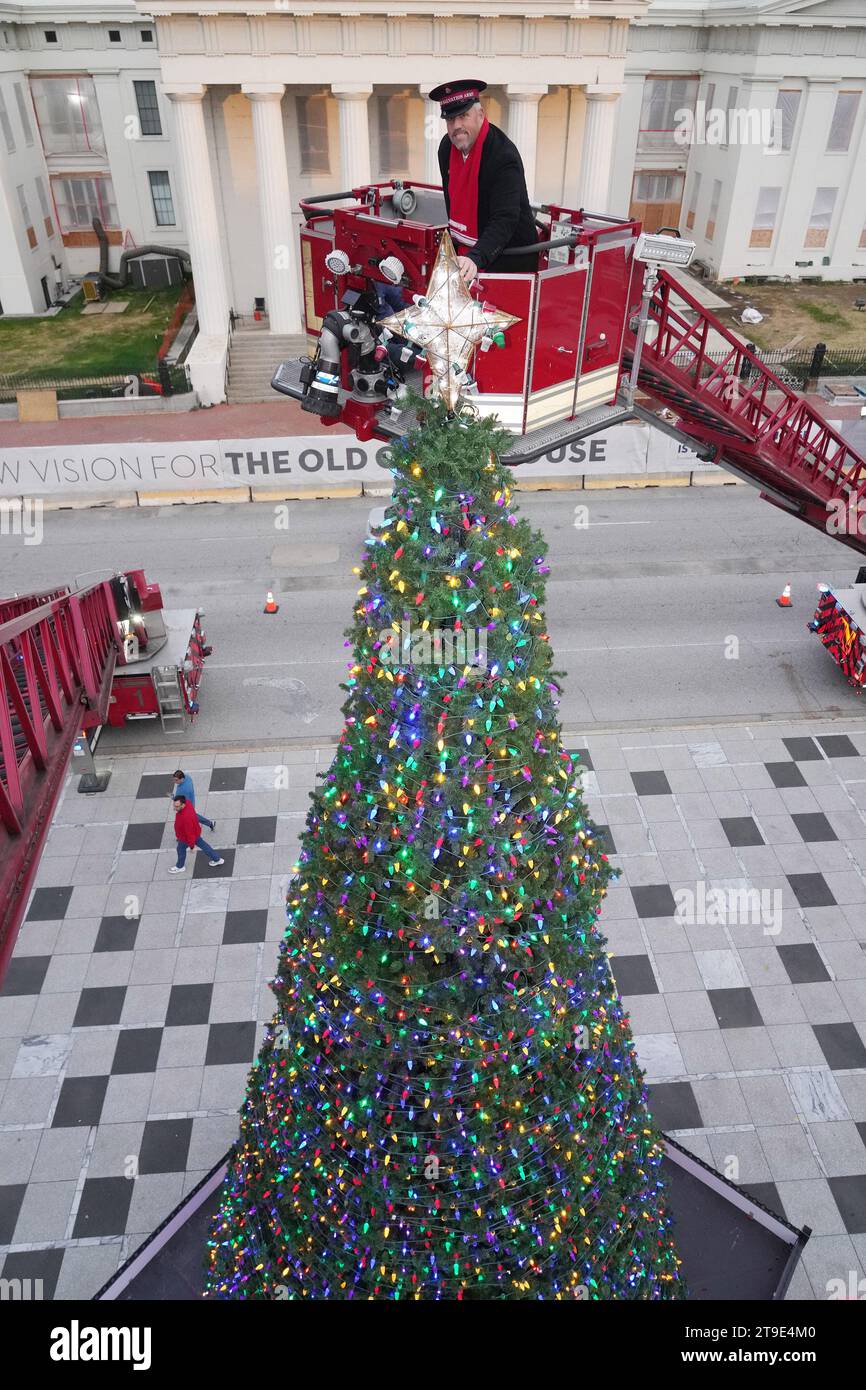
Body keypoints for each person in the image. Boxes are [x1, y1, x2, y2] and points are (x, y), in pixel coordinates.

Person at [430, 78, 539, 285]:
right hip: (467, 254)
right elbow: (451, 203)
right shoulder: (446, 148)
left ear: (480, 115)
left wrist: (476, 257)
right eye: (450, 120)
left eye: (463, 116)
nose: (457, 126)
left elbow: (505, 218)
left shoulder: (503, 154)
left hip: (509, 258)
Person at [170, 795, 224, 873]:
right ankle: (217, 859)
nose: (174, 808)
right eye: (174, 805)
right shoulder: (188, 803)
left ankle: (180, 866)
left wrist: (192, 846)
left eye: (177, 806)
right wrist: (174, 798)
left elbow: (189, 833)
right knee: (204, 846)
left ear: (182, 804)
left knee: (180, 849)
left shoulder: (185, 818)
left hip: (185, 838)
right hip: (196, 832)